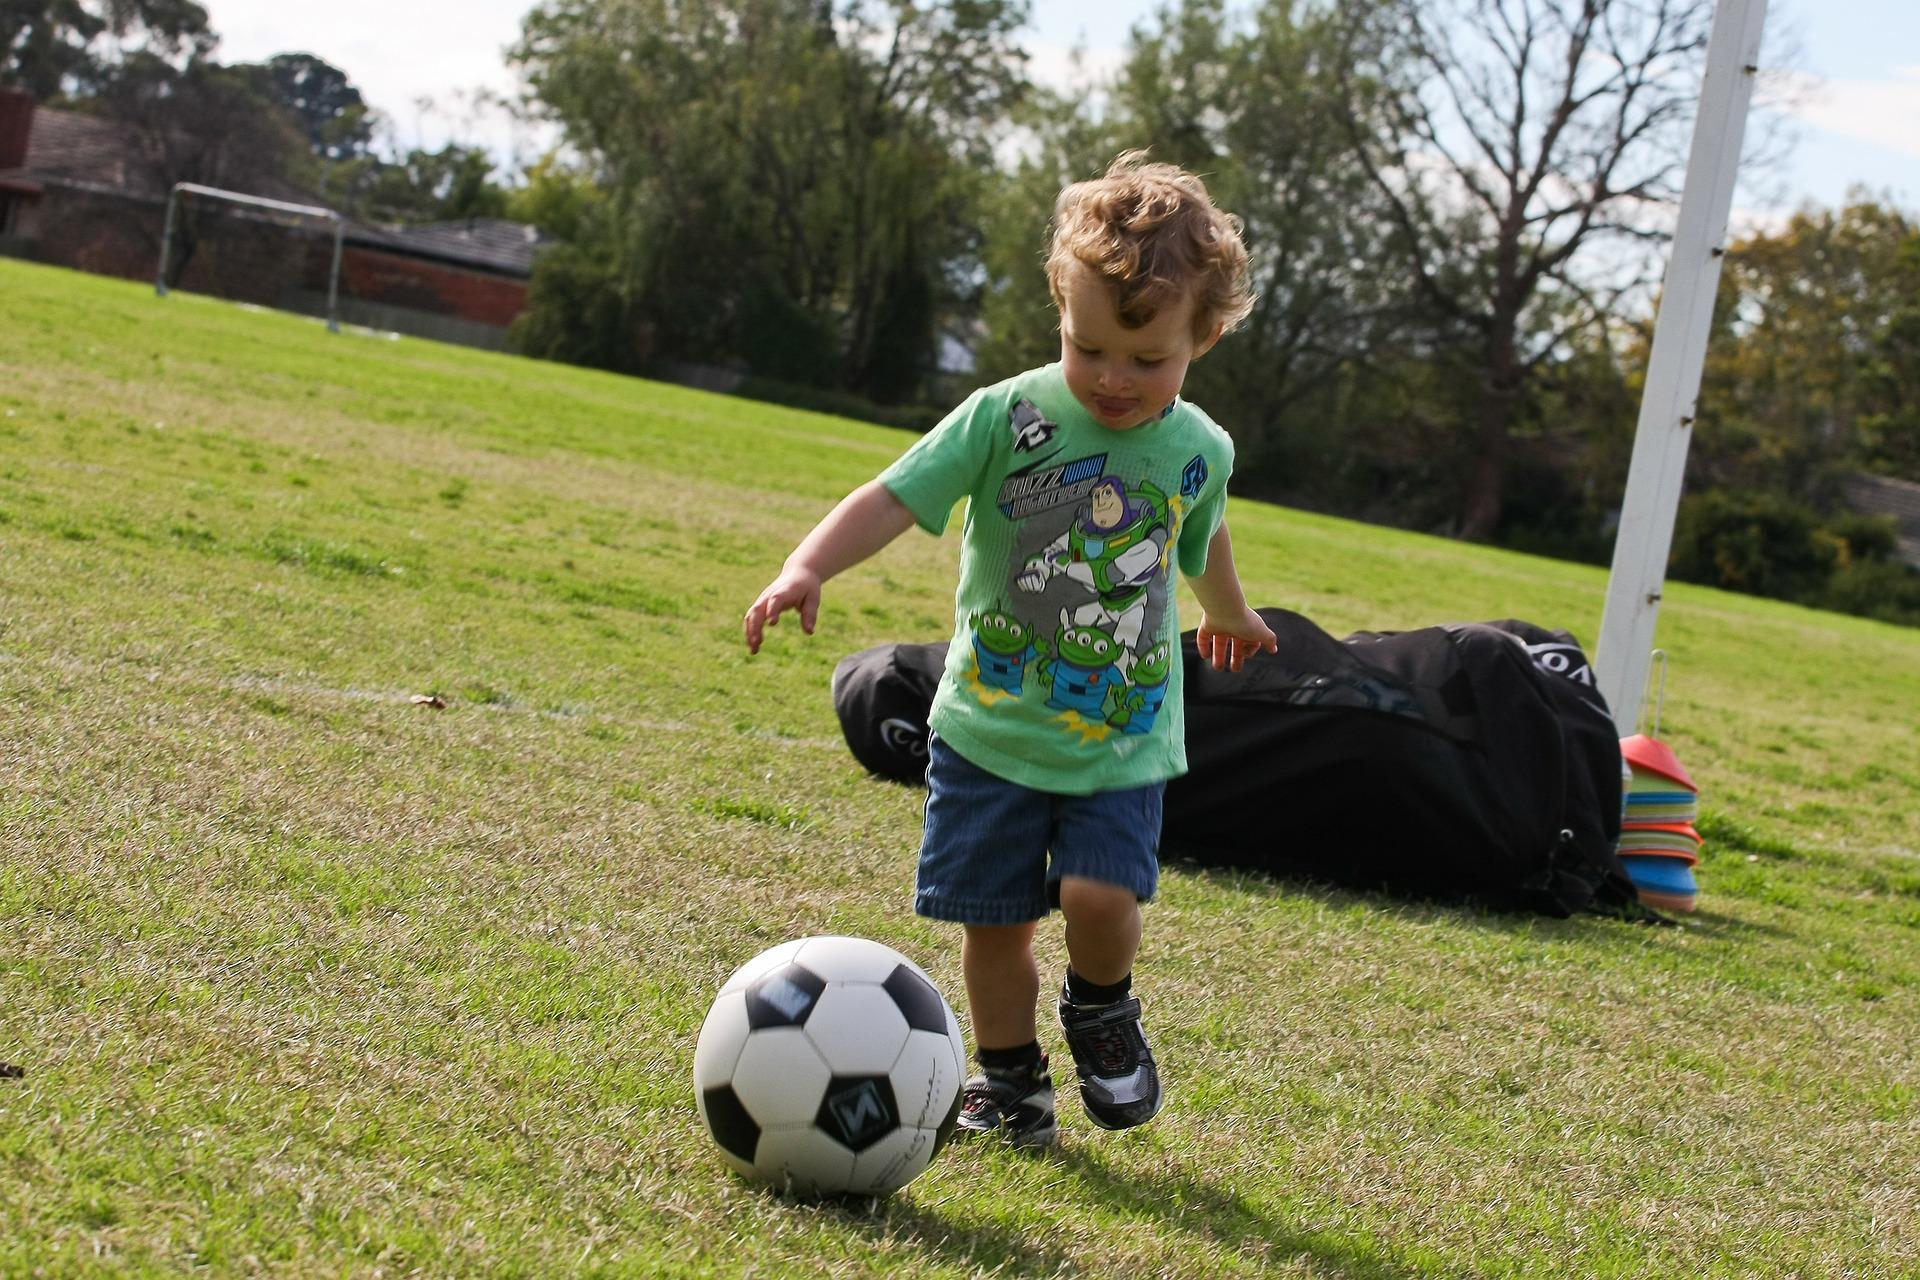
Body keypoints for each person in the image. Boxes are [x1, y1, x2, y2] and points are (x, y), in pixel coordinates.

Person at [743, 152, 1277, 1146]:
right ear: (1060, 311)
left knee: (1097, 891)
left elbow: (1202, 536)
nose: (1116, 379)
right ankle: (1009, 1079)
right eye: (1090, 348)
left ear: (1205, 335)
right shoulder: (1007, 417)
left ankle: (1104, 1010)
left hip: (1122, 734)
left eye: (1148, 358)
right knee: (994, 922)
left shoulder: (1200, 447)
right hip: (988, 728)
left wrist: (1231, 612)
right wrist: (808, 565)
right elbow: (893, 496)